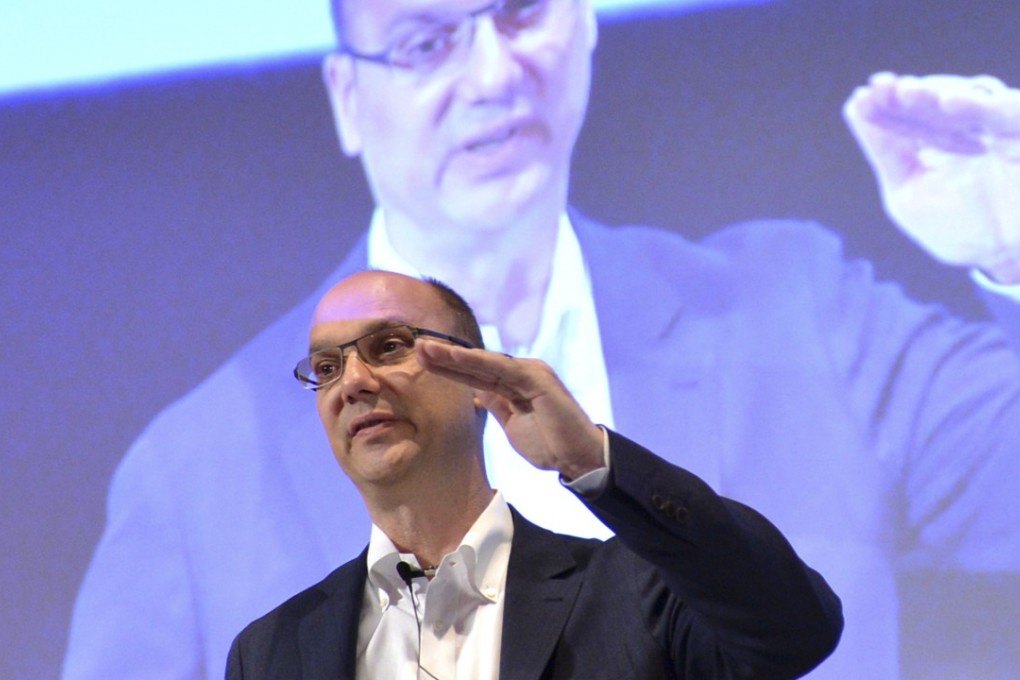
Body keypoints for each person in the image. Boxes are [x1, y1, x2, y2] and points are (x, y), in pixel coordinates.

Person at [63, 0, 1020, 677]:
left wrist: (1012, 241)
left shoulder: (800, 309)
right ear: (348, 99)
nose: (491, 73)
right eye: (428, 39)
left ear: (586, 25)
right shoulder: (190, 476)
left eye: (520, 12)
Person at [225, 270, 843, 679]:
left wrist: (591, 459)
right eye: (327, 367)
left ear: (476, 377)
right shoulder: (271, 653)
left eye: (389, 347)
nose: (354, 382)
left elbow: (796, 630)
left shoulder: (636, 594)